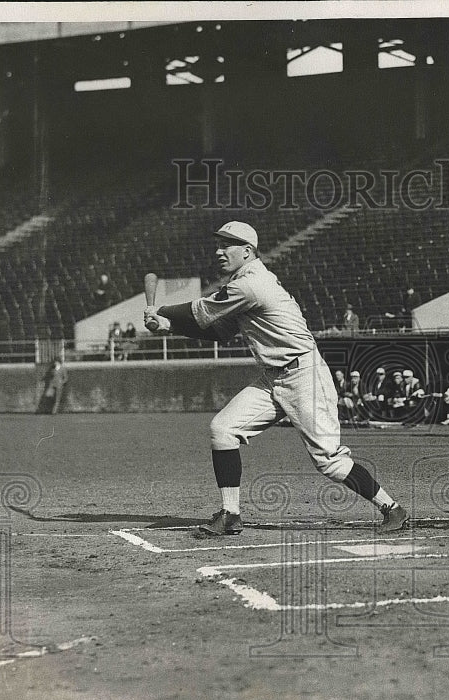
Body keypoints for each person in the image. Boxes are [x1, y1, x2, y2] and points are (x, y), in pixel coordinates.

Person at [144, 221, 407, 535]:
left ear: (247, 251)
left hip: (304, 376)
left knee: (330, 462)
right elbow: (220, 331)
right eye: (218, 244)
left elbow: (200, 309)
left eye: (227, 245)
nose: (219, 251)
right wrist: (167, 327)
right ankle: (230, 514)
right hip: (274, 378)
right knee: (223, 429)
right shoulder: (241, 284)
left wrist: (161, 310)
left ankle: (392, 509)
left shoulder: (251, 283)